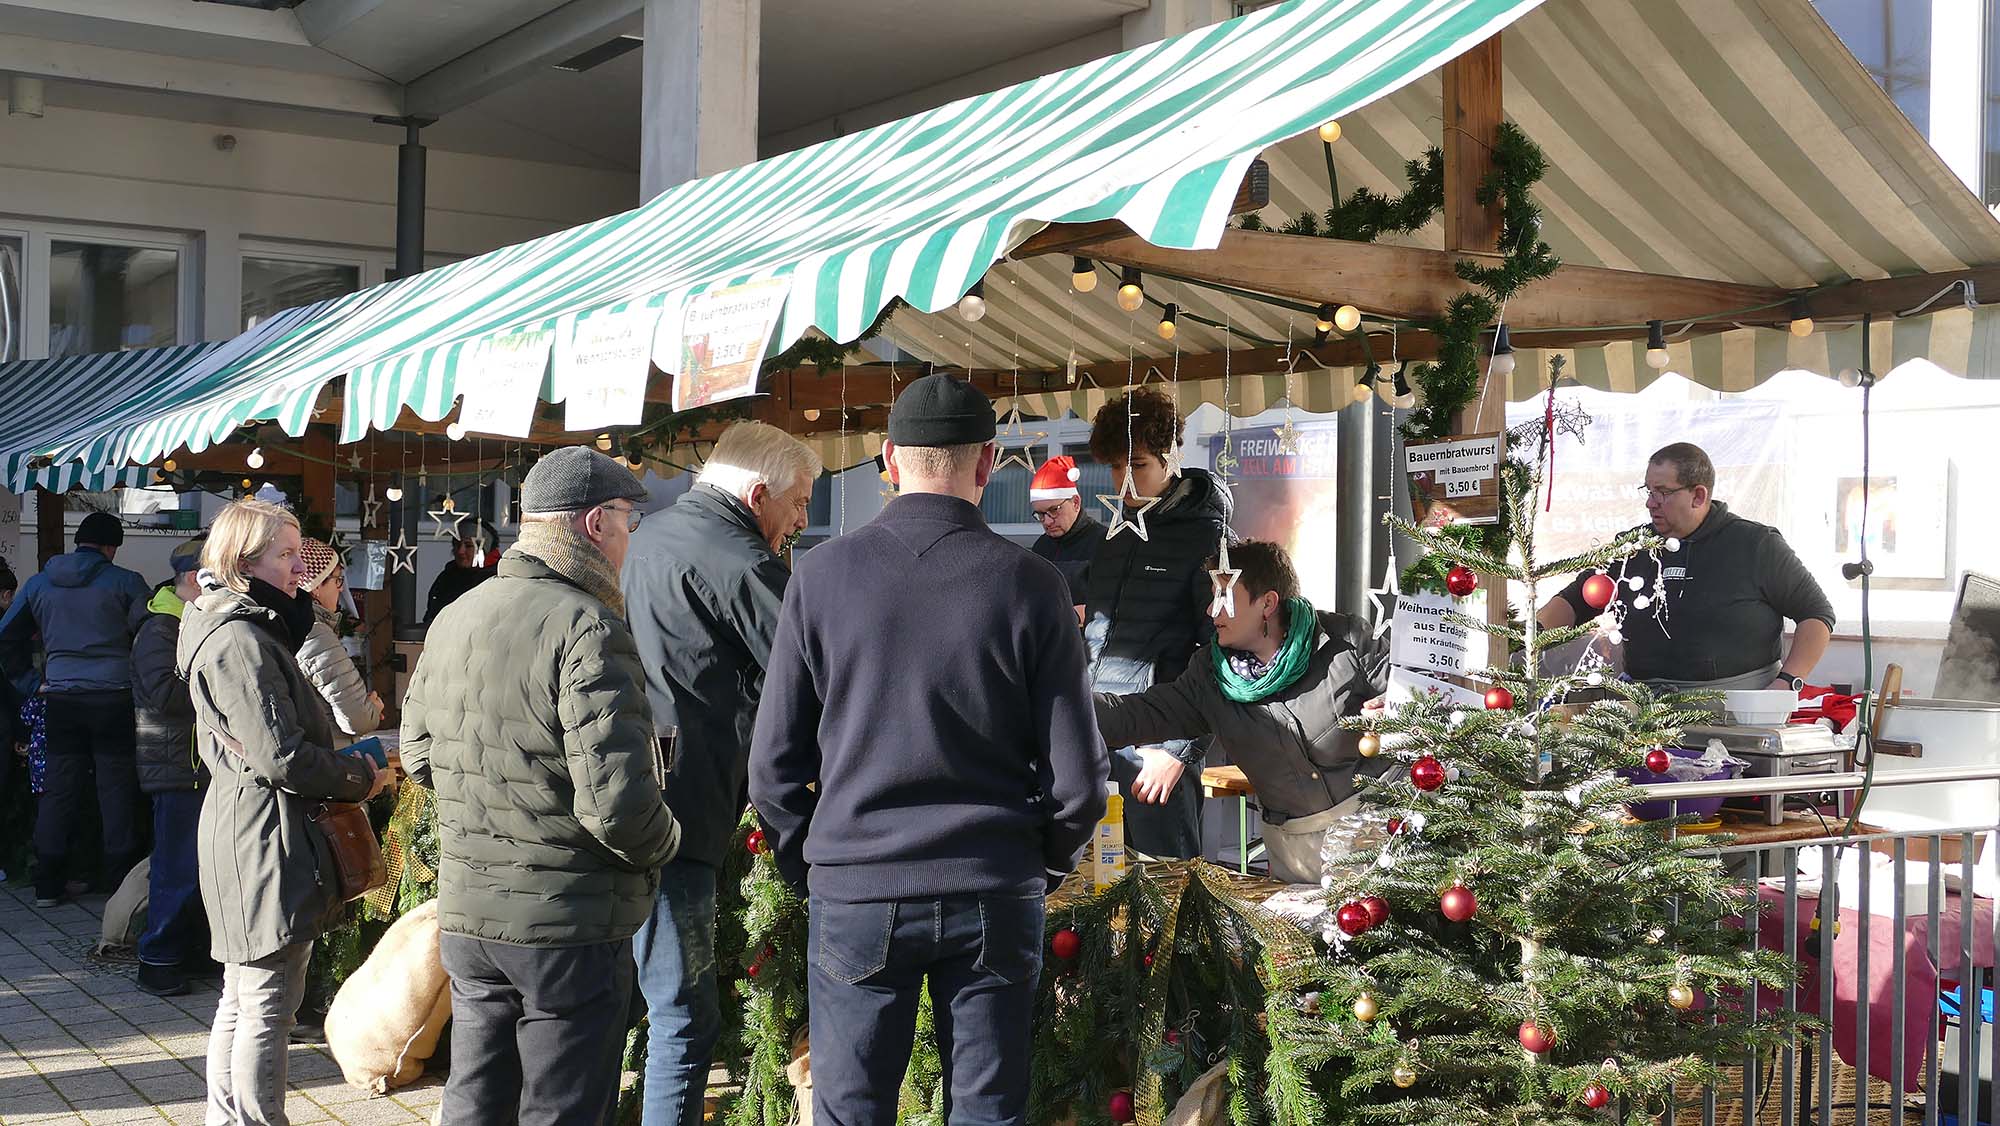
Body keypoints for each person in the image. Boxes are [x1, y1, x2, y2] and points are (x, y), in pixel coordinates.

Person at [749, 373, 1108, 1126]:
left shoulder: (819, 577)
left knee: (849, 1110)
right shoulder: (1032, 585)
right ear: (986, 466)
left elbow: (774, 765)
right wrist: (1036, 864)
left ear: (887, 460)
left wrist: (812, 863)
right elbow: (1080, 780)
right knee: (988, 1110)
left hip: (859, 883)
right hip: (993, 882)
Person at [402, 446, 681, 1126]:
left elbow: (417, 757)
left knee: (474, 1100)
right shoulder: (587, 624)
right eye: (626, 520)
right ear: (594, 525)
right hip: (567, 922)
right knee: (560, 1110)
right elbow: (619, 807)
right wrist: (669, 840)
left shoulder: (457, 614)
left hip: (473, 914)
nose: (627, 537)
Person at [621, 421, 821, 1126]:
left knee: (620, 1007)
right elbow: (812, 681)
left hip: (620, 797)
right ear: (758, 492)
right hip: (683, 811)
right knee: (683, 1016)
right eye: (799, 502)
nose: (801, 520)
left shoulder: (642, 537)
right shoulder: (740, 559)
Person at [178, 500, 390, 1124]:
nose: (302, 567)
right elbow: (284, 759)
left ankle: (230, 1119)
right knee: (266, 1002)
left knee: (246, 998)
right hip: (264, 836)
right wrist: (361, 776)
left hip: (255, 828)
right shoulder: (241, 638)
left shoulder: (248, 627)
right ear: (244, 563)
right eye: (288, 556)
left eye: (300, 553)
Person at [1093, 541, 1387, 884]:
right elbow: (1138, 714)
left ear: (1267, 603)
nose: (1210, 610)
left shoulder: (1345, 641)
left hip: (1378, 837)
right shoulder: (1208, 677)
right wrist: (1060, 708)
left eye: (1224, 596)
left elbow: (1419, 693)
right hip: (1295, 859)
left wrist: (1394, 707)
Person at [1534, 442, 1835, 693]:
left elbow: (1816, 614)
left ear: (1699, 495)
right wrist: (1524, 639)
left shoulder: (1755, 544)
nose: (1651, 503)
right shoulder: (1633, 547)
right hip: (1644, 708)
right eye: (1648, 491)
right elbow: (1575, 601)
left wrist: (1788, 682)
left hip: (1735, 708)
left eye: (1663, 492)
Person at [1081, 387, 1231, 860]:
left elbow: (1225, 653)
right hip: (1095, 738)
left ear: (1172, 458)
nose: (1124, 481)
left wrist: (1179, 751)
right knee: (1090, 892)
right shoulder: (1112, 534)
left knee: (1167, 894)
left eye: (1138, 465)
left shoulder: (1211, 539)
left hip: (1158, 746)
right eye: (1116, 467)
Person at [0, 511, 154, 907]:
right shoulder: (125, 582)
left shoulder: (39, 584)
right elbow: (152, 636)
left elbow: (7, 636)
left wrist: (32, 684)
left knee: (58, 790)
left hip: (61, 699)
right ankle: (120, 886)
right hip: (114, 698)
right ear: (111, 547)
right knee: (115, 789)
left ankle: (48, 883)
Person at [130, 537, 210, 997]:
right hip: (176, 764)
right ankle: (157, 959)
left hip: (192, 761)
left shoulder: (183, 623)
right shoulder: (160, 629)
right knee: (177, 866)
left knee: (197, 867)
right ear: (195, 579)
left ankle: (186, 952)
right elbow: (165, 696)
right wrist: (218, 687)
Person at [296, 538, 383, 745]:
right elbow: (358, 720)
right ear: (316, 586)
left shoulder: (291, 626)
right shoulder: (315, 634)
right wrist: (373, 708)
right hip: (327, 756)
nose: (341, 589)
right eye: (337, 580)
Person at [1028, 454, 1106, 618]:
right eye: (1040, 514)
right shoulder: (1040, 546)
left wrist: (1073, 615)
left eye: (1054, 510)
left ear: (1075, 502)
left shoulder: (1104, 543)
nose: (1047, 521)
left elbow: (1109, 603)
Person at [424, 529, 493, 624]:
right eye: (457, 545)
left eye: (468, 546)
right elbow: (432, 612)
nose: (461, 551)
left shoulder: (495, 579)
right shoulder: (446, 576)